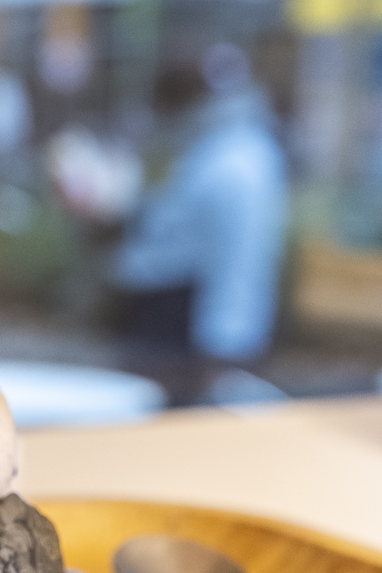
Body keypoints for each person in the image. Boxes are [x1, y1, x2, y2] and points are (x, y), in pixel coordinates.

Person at [109, 44, 289, 404]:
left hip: (191, 344)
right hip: (181, 336)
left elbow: (236, 262)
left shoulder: (232, 162)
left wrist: (223, 356)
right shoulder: (219, 150)